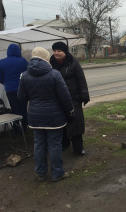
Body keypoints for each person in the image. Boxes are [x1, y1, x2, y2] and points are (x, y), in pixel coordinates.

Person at [17, 47, 74, 182]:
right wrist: (70, 111)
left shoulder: (25, 75)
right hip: (54, 117)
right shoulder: (54, 74)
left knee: (39, 144)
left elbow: (21, 97)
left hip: (35, 116)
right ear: (45, 58)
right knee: (54, 144)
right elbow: (65, 96)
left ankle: (41, 174)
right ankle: (57, 173)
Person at [50, 42, 90, 156]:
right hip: (58, 99)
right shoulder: (50, 63)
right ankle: (64, 143)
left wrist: (84, 95)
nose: (56, 53)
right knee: (61, 122)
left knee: (75, 122)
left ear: (65, 52)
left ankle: (78, 148)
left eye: (59, 51)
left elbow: (81, 80)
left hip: (73, 97)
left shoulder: (73, 63)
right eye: (55, 50)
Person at [0, 44, 28, 132]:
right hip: (22, 88)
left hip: (10, 89)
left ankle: (16, 129)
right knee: (23, 108)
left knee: (14, 108)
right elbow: (27, 73)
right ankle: (24, 127)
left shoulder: (1, 62)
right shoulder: (23, 61)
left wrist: (5, 82)